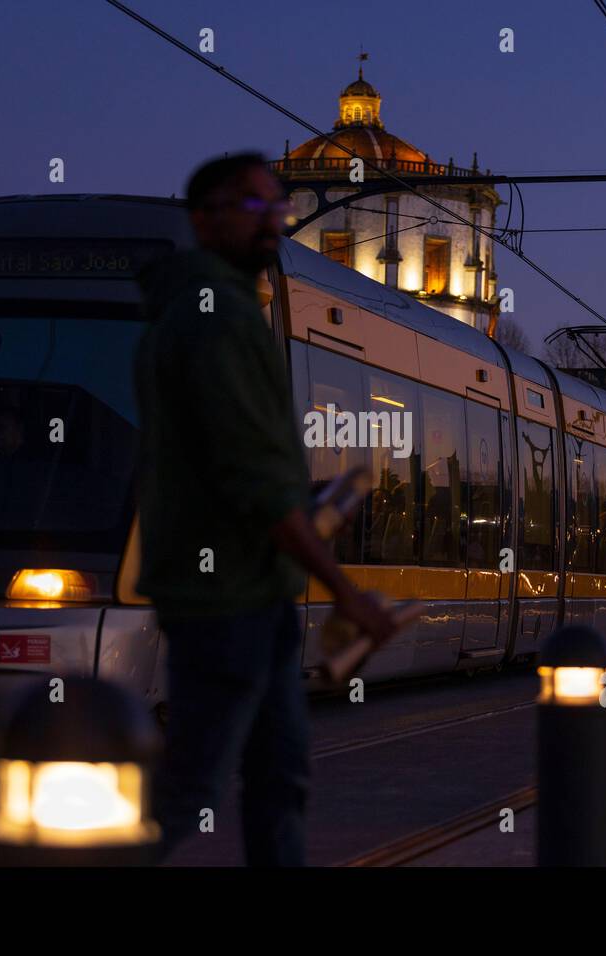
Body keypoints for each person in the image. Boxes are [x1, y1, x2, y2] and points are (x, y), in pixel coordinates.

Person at [133, 152, 398, 866]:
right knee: (195, 784)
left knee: (278, 777)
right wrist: (348, 594)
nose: (274, 219)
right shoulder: (216, 319)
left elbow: (242, 467)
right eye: (251, 206)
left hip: (255, 594)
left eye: (276, 204)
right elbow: (252, 483)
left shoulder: (218, 308)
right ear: (202, 219)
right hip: (227, 599)